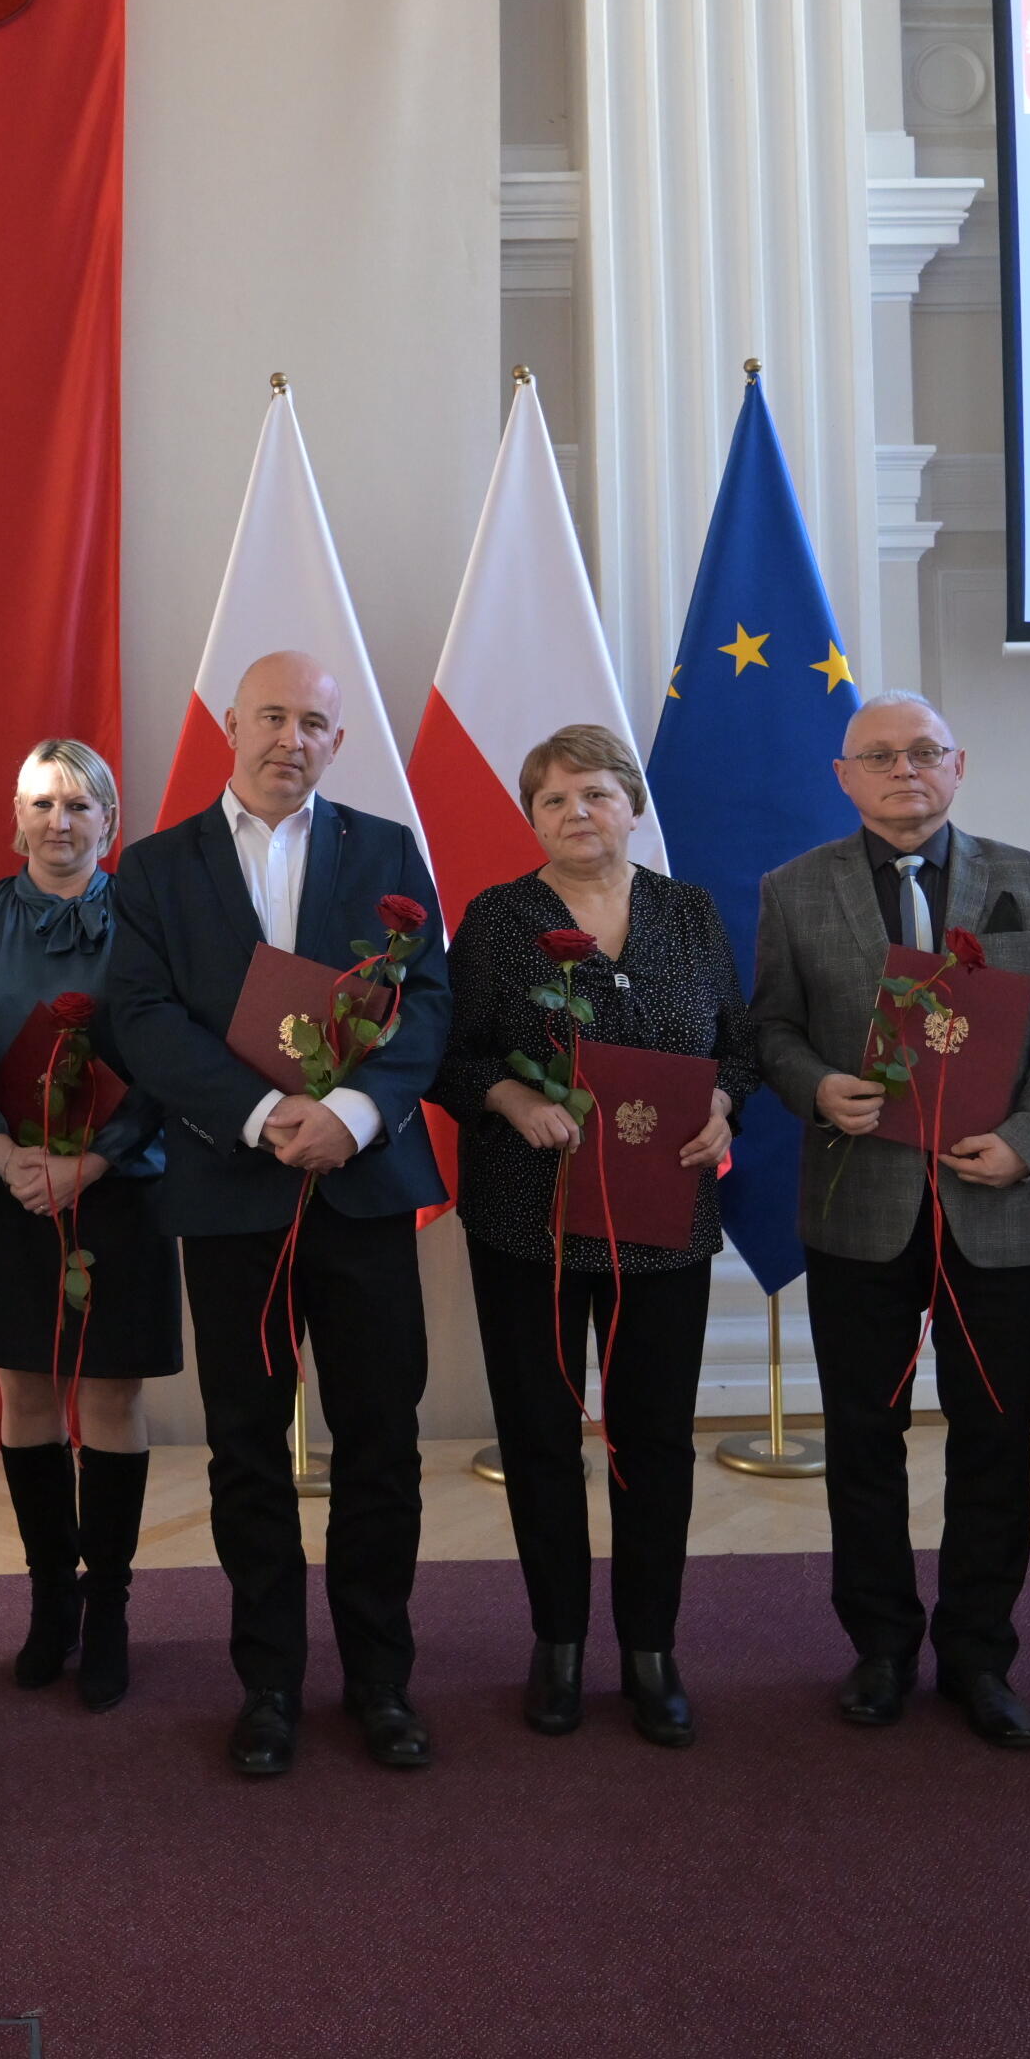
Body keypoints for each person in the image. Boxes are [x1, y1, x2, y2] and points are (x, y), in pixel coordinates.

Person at [104, 650, 452, 1780]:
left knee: (381, 1442)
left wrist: (353, 1111)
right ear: (231, 723)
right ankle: (268, 1683)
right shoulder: (157, 867)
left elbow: (428, 1004)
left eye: (312, 722)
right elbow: (141, 1018)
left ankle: (381, 1680)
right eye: (270, 716)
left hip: (362, 1187)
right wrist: (261, 1115)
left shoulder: (387, 851)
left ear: (337, 742)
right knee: (247, 1447)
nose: (289, 738)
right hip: (231, 1193)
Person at [747, 691, 1030, 1752]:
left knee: (994, 1437)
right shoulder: (792, 888)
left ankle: (981, 1654)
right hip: (859, 1203)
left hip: (998, 1199)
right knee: (865, 1437)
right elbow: (769, 1027)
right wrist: (817, 1088)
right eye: (879, 756)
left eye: (923, 752)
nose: (903, 771)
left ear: (959, 765)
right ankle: (881, 1647)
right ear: (844, 776)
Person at [435, 724, 751, 1751]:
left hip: (665, 1221)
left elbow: (738, 1048)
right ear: (532, 818)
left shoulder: (690, 913)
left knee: (654, 1440)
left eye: (597, 793)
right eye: (555, 799)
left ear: (633, 807)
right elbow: (450, 1054)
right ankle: (559, 1641)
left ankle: (651, 1647)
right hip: (525, 1220)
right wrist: (511, 1099)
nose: (578, 813)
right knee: (539, 1434)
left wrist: (724, 1107)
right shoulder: (498, 919)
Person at [0, 738, 173, 1714]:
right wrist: (2, 1154)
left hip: (119, 1189)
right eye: (42, 803)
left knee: (113, 1398)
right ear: (17, 818)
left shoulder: (150, 919)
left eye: (79, 805)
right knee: (27, 1393)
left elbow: (170, 1057)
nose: (59, 821)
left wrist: (97, 1158)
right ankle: (53, 1601)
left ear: (109, 822)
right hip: (10, 1188)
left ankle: (110, 1606)